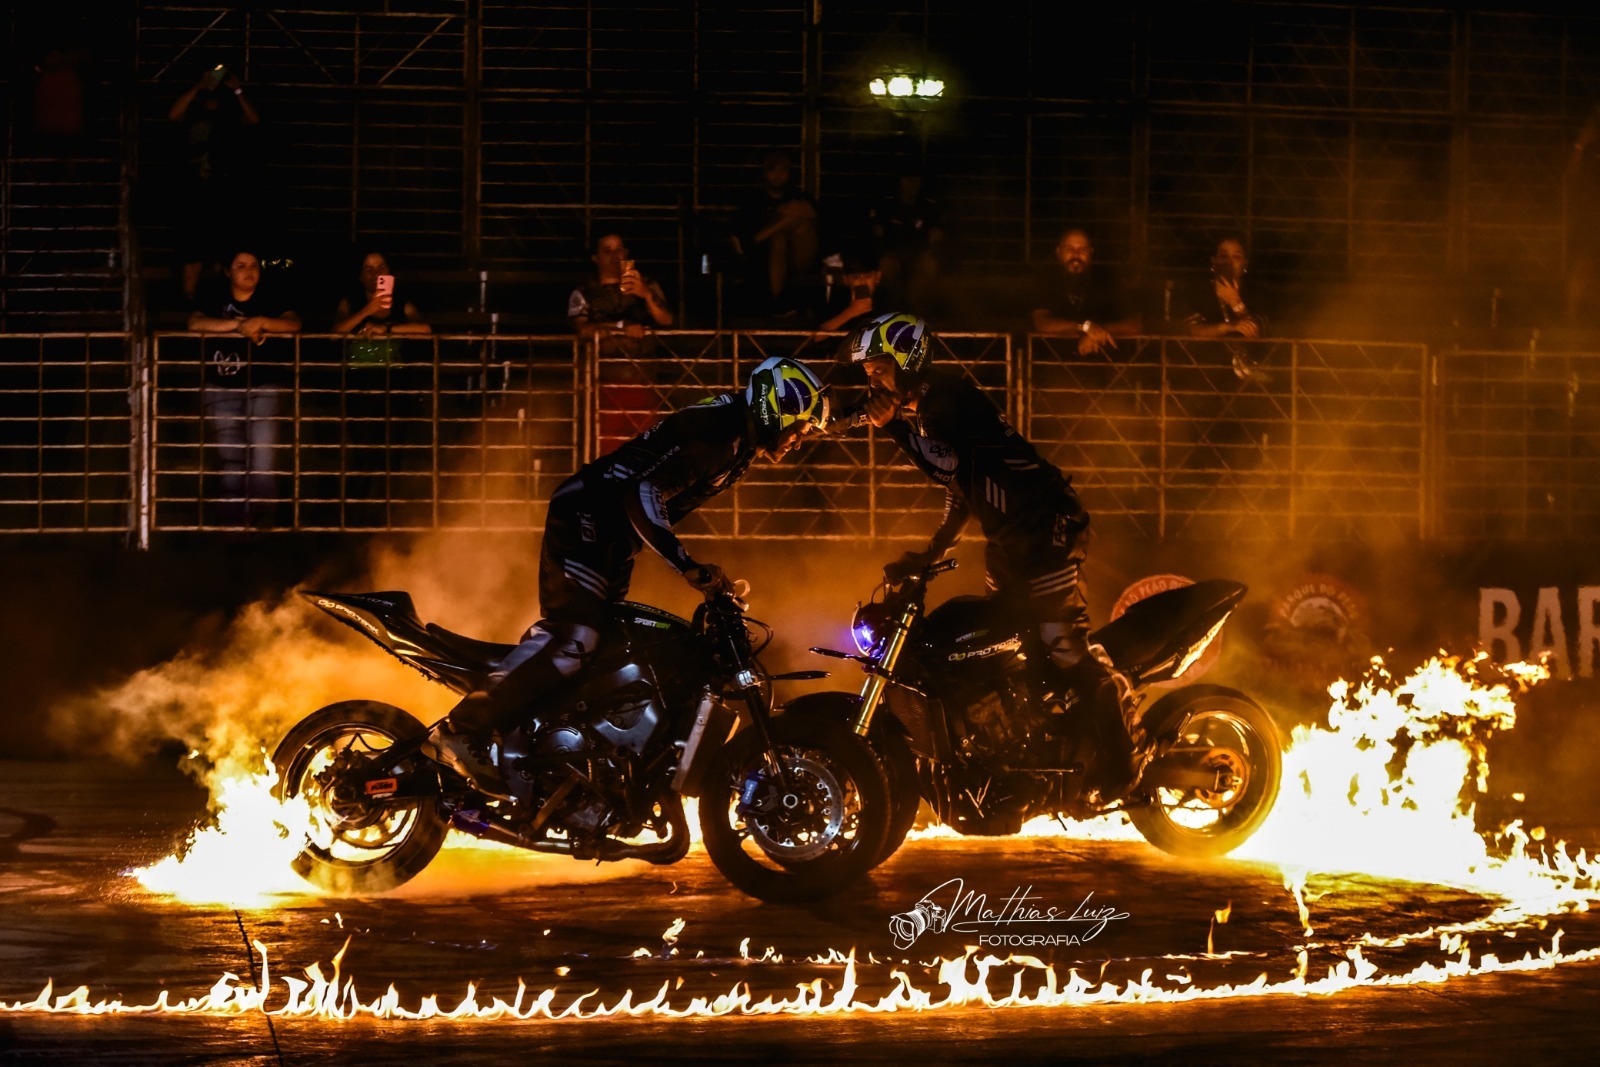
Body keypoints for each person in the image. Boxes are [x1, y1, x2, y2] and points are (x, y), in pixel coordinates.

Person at [424, 356, 834, 796]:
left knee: (611, 644)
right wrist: (685, 564)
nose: (798, 441)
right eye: (799, 429)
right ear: (777, 409)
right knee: (575, 638)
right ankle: (461, 729)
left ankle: (549, 749)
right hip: (587, 515)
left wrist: (865, 411)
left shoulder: (740, 435)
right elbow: (642, 492)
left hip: (612, 536)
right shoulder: (718, 436)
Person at [844, 312, 1141, 805]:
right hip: (1009, 539)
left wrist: (893, 427)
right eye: (868, 374)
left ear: (907, 360)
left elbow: (948, 466)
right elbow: (962, 487)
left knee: (1061, 644)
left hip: (1045, 528)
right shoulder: (932, 405)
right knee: (1009, 640)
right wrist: (932, 551)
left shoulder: (945, 400)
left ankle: (1122, 761)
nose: (871, 382)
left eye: (878, 370)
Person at [186, 247, 301, 527]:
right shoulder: (214, 296)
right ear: (228, 271)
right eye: (241, 266)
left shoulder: (271, 297)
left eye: (253, 265)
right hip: (222, 385)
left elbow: (294, 324)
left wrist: (261, 322)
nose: (249, 271)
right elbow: (195, 323)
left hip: (266, 383)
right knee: (231, 459)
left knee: (263, 452)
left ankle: (262, 522)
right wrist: (239, 325)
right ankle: (233, 525)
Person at [568, 232, 675, 449]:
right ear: (595, 257)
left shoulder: (647, 286)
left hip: (643, 382)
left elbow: (666, 319)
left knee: (646, 448)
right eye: (607, 250)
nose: (614, 256)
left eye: (619, 249)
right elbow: (583, 330)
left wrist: (646, 294)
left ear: (626, 253)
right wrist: (620, 328)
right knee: (608, 447)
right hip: (603, 385)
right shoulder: (584, 292)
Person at [169, 63, 261, 302]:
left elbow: (254, 119)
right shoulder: (194, 108)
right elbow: (173, 115)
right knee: (192, 255)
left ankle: (223, 302)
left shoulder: (230, 110)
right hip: (193, 193)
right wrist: (199, 87)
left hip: (225, 194)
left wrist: (237, 90)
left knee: (224, 254)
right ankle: (189, 300)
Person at [730, 150, 821, 317]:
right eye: (772, 169)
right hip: (765, 256)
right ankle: (778, 304)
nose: (778, 175)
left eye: (783, 170)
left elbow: (813, 216)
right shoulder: (753, 201)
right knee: (779, 237)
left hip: (800, 255)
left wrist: (757, 238)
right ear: (764, 173)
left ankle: (758, 238)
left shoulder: (799, 197)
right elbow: (737, 232)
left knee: (800, 212)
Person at [1030, 229, 1143, 356]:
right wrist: (1086, 327)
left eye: (1082, 250)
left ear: (1091, 252)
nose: (1076, 255)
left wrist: (1098, 332)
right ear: (1059, 252)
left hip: (1105, 363)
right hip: (1055, 361)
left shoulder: (1109, 281)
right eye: (1070, 249)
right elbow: (1042, 323)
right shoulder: (1046, 282)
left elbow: (1135, 325)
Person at [870, 170, 945, 313]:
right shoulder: (887, 204)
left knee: (928, 265)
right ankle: (900, 307)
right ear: (900, 182)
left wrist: (928, 249)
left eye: (916, 179)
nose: (913, 183)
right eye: (908, 179)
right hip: (893, 253)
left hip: (919, 253)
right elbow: (877, 235)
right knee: (888, 265)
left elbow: (936, 236)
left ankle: (914, 309)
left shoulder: (928, 206)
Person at [1184, 237, 1266, 339]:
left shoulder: (1257, 293)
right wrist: (1226, 327)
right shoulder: (1198, 293)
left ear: (1245, 264)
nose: (1229, 262)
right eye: (1223, 256)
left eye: (1236, 257)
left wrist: (1235, 302)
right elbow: (1191, 329)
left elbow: (1258, 332)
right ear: (1214, 261)